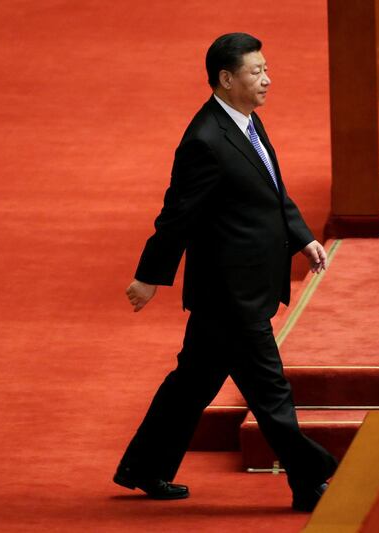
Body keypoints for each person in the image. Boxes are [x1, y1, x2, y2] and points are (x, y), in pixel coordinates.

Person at [113, 32, 337, 512]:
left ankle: (145, 467)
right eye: (257, 72)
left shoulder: (246, 123)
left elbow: (272, 192)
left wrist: (303, 237)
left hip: (242, 286)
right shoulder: (204, 141)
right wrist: (150, 276)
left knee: (192, 382)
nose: (267, 80)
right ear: (226, 78)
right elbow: (177, 214)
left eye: (266, 69)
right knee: (269, 389)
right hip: (230, 293)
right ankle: (312, 478)